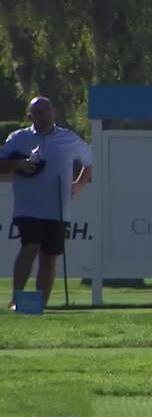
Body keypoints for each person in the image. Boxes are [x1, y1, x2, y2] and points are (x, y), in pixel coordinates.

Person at [0, 97, 93, 309]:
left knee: (49, 256)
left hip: (58, 208)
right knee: (29, 247)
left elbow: (89, 162)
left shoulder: (68, 138)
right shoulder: (18, 138)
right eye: (37, 111)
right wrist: (18, 164)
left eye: (46, 110)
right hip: (28, 206)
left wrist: (79, 184)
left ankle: (39, 305)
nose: (43, 115)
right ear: (29, 115)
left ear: (54, 111)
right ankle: (17, 299)